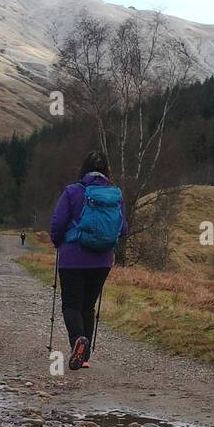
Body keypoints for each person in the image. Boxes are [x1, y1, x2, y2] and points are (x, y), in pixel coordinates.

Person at [49, 150, 128, 370]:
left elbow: (57, 223)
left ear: (83, 169)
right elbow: (123, 229)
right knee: (88, 306)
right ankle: (84, 358)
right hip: (102, 261)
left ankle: (78, 341)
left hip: (73, 257)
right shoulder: (116, 195)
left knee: (71, 305)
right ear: (106, 172)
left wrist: (58, 242)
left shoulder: (72, 192)